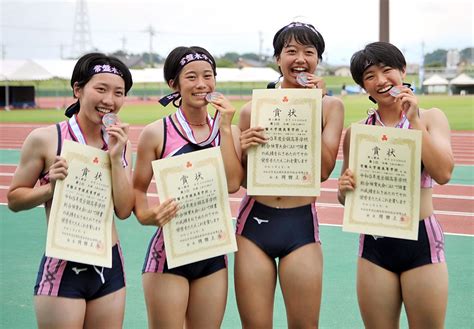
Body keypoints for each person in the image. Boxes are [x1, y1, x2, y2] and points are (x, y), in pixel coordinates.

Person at [7, 52, 134, 329]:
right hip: (63, 261)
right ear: (78, 89)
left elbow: (124, 210)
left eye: (118, 93)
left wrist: (116, 158)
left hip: (109, 264)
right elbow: (14, 198)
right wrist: (49, 189)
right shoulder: (45, 139)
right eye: (100, 89)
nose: (109, 100)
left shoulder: (120, 142)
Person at [235, 22, 344, 328]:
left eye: (309, 52)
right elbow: (242, 180)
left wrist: (312, 107)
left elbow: (323, 171)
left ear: (317, 60)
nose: (300, 58)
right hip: (255, 224)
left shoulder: (331, 107)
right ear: (277, 58)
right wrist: (243, 148)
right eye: (291, 51)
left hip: (300, 225)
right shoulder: (252, 109)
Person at [338, 41, 453, 329]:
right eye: (369, 76)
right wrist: (344, 189)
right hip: (375, 247)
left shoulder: (431, 117)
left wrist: (414, 121)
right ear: (363, 87)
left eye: (387, 70)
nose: (381, 81)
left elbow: (443, 173)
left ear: (402, 71)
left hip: (421, 242)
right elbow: (345, 196)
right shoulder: (357, 134)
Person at [133, 46, 243, 329]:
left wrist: (227, 127)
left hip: (213, 252)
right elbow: (137, 190)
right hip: (170, 253)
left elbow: (232, 183)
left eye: (208, 76)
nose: (201, 84)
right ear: (174, 84)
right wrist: (147, 215)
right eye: (191, 77)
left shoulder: (227, 129)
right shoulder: (157, 132)